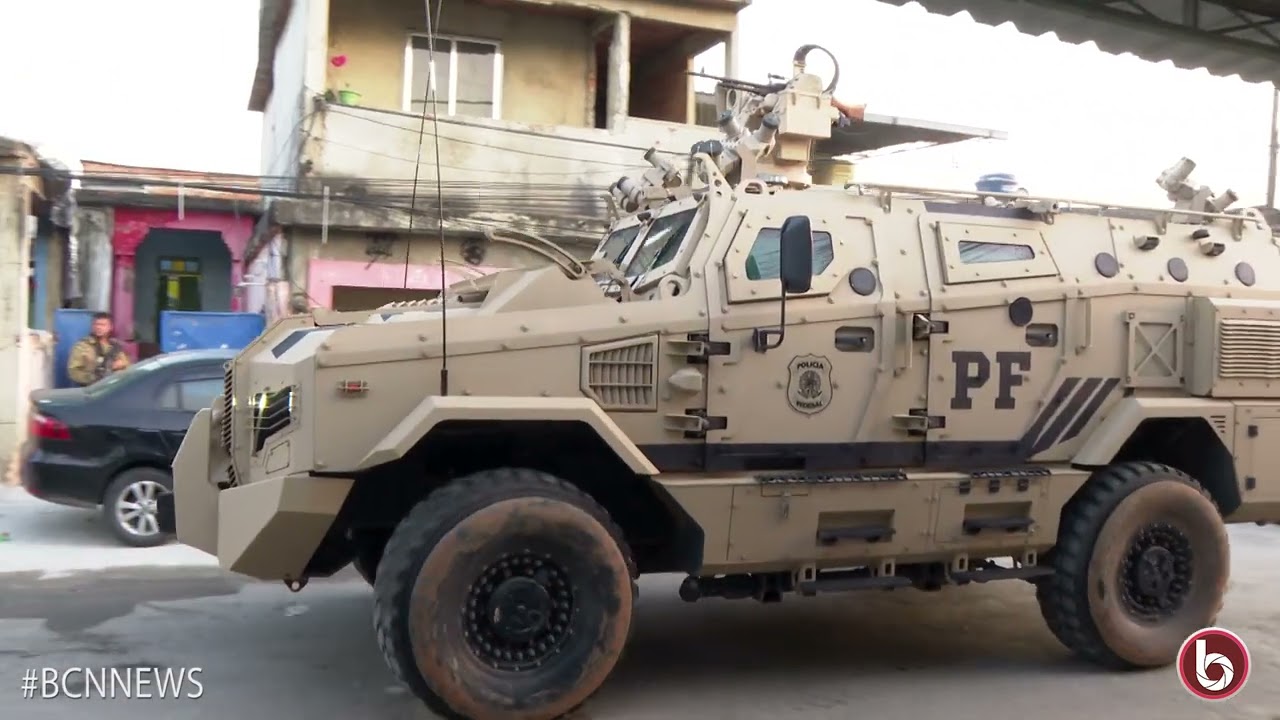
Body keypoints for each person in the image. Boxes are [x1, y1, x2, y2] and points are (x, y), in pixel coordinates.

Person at [67, 312, 131, 386]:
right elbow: (73, 371)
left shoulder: (115, 346)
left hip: (114, 388)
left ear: (110, 327)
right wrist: (94, 377)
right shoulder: (82, 346)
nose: (98, 327)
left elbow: (128, 367)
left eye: (103, 325)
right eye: (96, 324)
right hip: (92, 389)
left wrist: (121, 365)